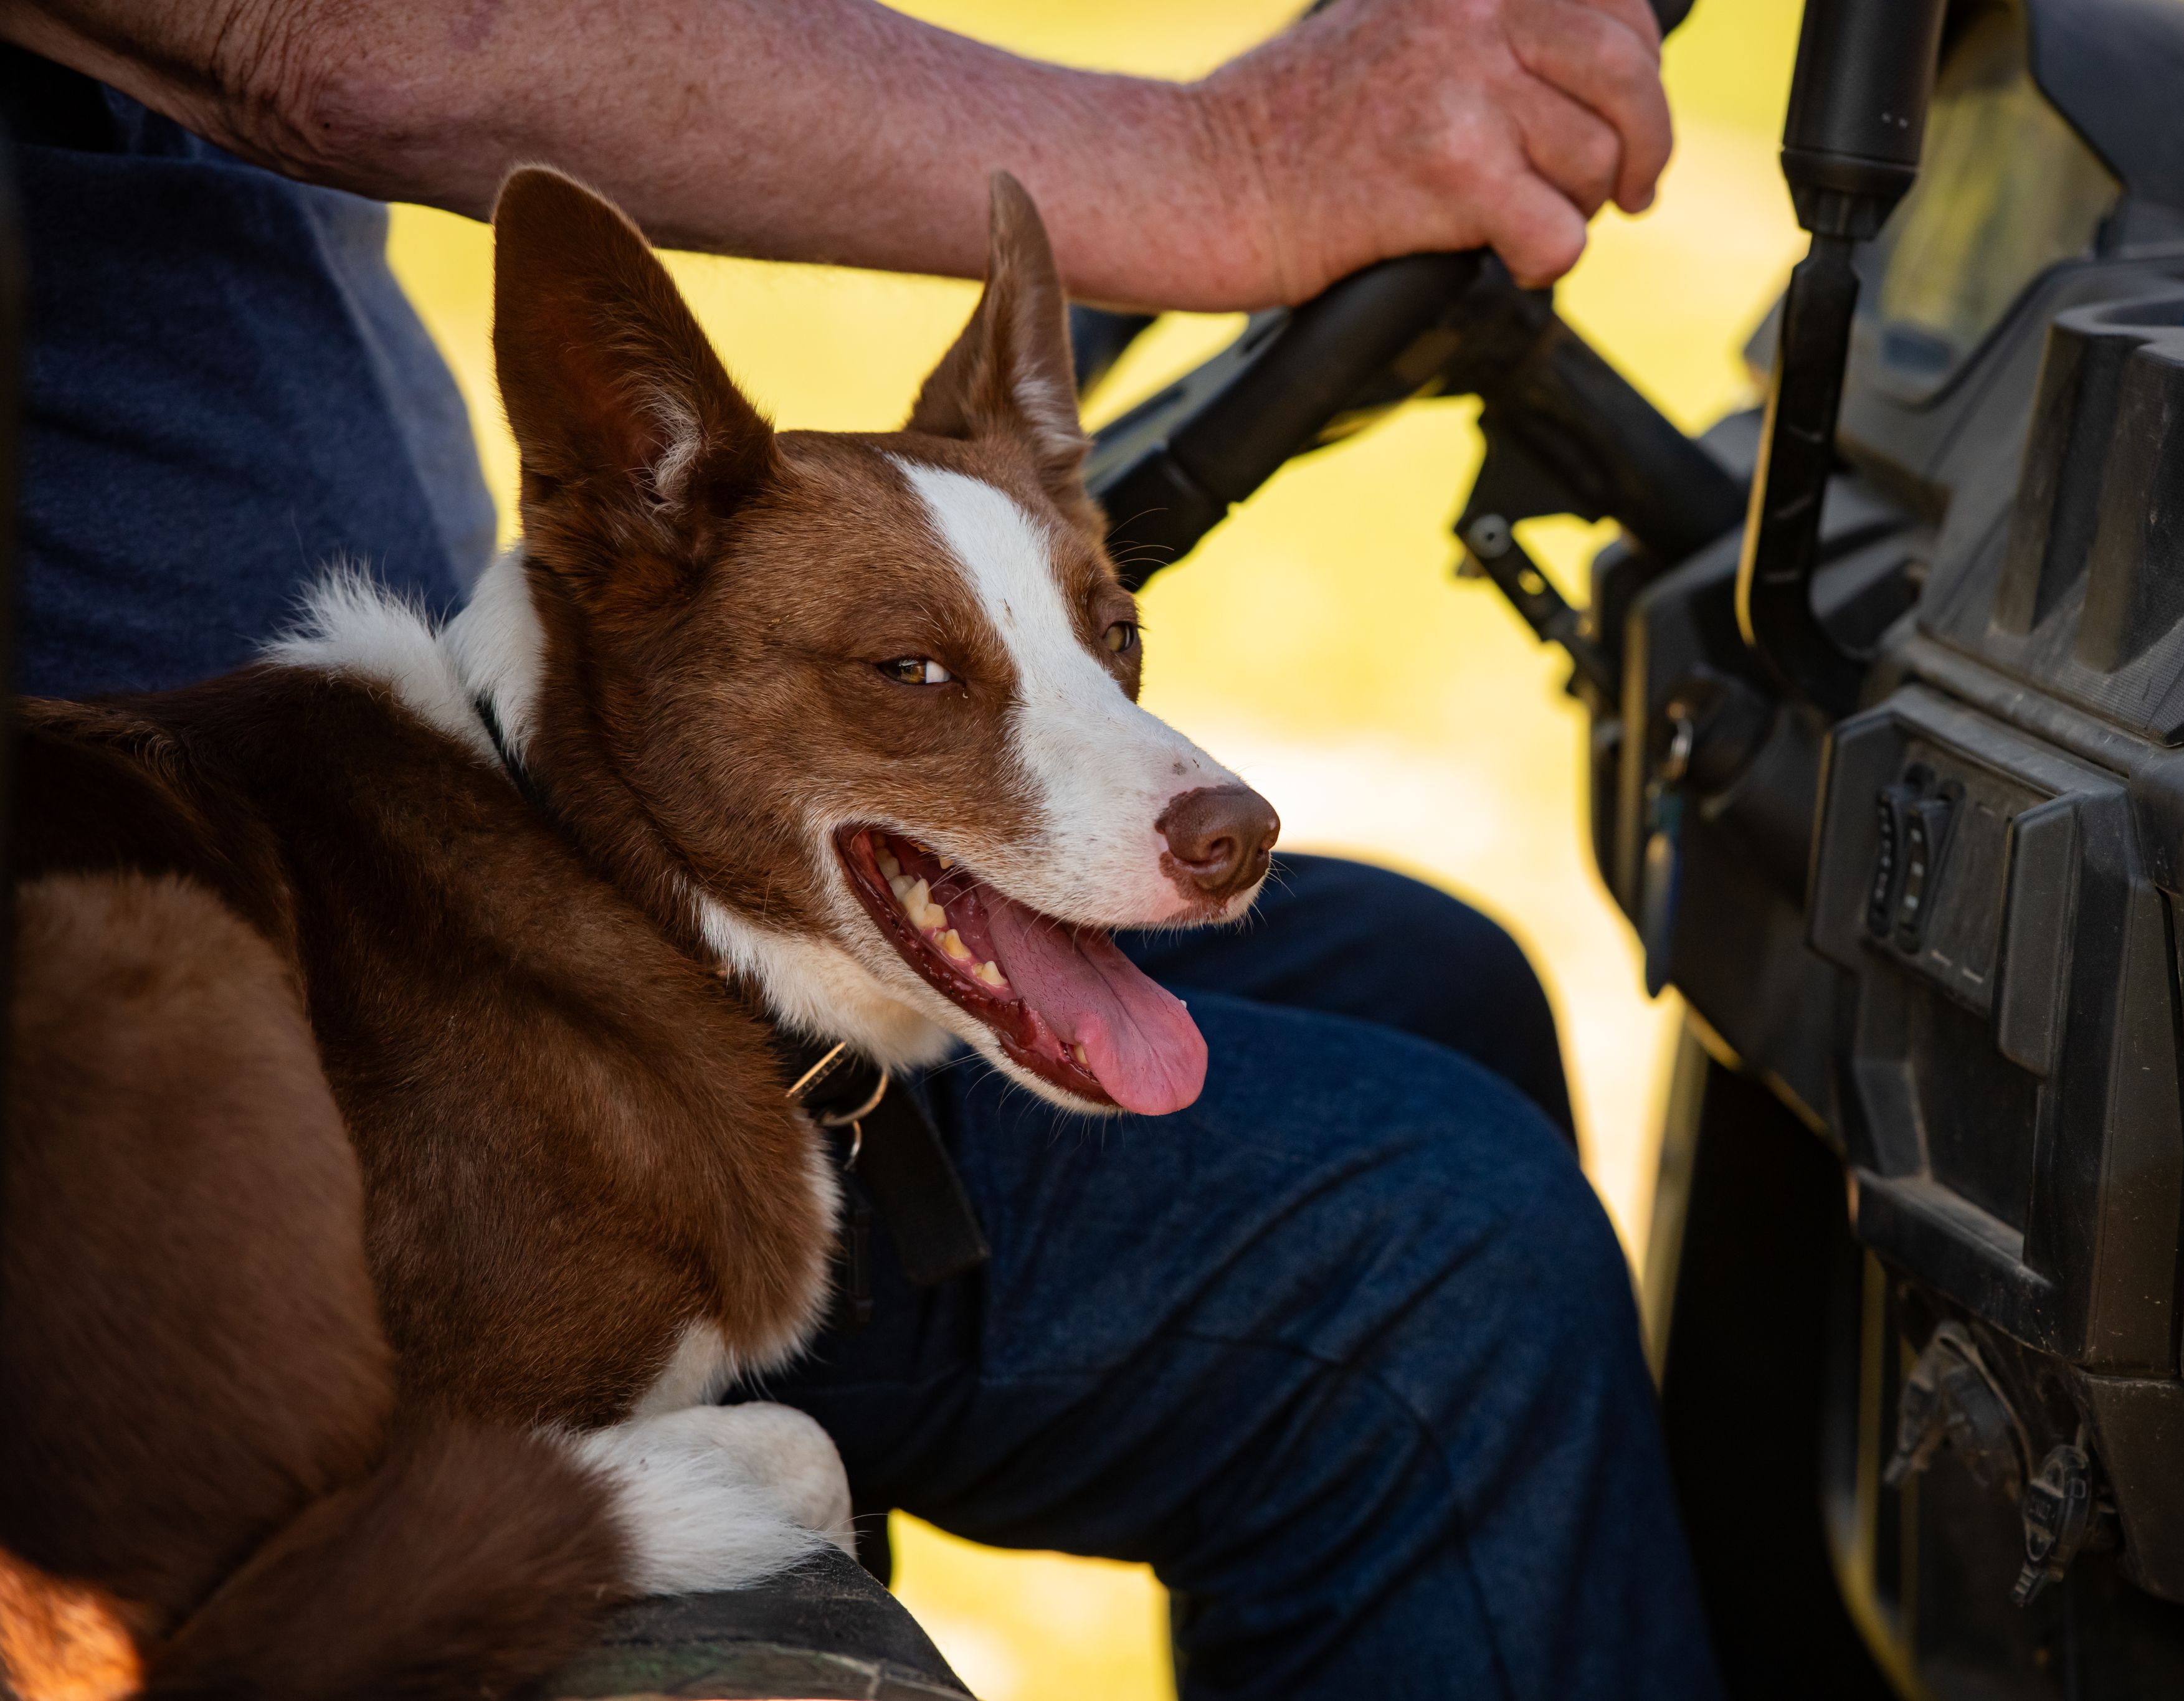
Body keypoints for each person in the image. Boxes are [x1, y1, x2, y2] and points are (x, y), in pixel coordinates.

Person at [0, 2, 1717, 1695]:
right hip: (256, 1054)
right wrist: (1235, 163)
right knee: (1445, 1247)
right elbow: (341, 37)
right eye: (910, 675)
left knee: (1438, 969)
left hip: (503, 765)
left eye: (1105, 637)